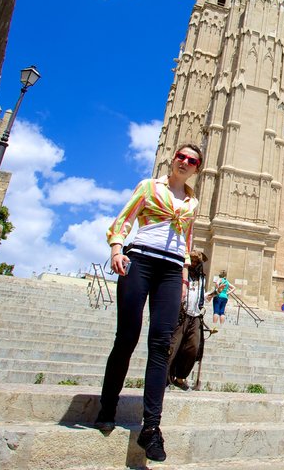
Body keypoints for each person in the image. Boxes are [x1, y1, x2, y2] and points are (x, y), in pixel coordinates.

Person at [95, 143, 203, 463]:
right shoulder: (149, 186)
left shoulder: (192, 202)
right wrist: (117, 250)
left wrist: (184, 277)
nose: (185, 162)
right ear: (173, 160)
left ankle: (151, 428)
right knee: (126, 337)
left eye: (192, 160)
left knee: (161, 346)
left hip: (171, 270)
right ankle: (107, 406)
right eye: (181, 157)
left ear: (197, 168)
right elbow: (123, 220)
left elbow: (186, 241)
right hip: (139, 260)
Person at [167, 249, 207, 391]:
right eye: (193, 260)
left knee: (193, 348)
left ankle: (180, 378)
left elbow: (202, 296)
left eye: (197, 261)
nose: (195, 263)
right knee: (173, 346)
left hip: (195, 315)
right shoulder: (180, 275)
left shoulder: (202, 278)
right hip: (181, 314)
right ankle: (165, 379)